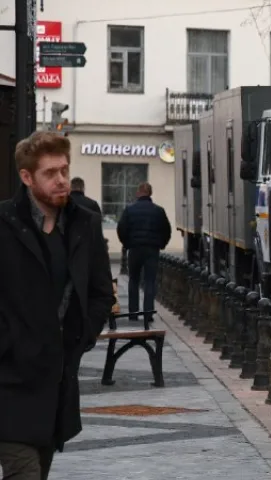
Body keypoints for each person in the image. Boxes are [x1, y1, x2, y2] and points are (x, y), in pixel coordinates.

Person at [0, 131, 115, 479]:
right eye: (50, 173)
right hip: (8, 380)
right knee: (25, 472)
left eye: (64, 170)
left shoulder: (84, 224)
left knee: (41, 467)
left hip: (57, 380)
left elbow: (100, 292)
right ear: (26, 177)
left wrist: (82, 337)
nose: (62, 180)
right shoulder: (4, 224)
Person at [117, 182, 172, 324]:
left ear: (138, 193)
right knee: (150, 281)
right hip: (152, 250)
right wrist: (161, 244)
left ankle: (133, 313)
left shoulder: (129, 210)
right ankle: (148, 313)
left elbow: (121, 228)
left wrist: (127, 244)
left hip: (134, 249)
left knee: (133, 280)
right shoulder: (158, 211)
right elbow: (166, 230)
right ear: (150, 193)